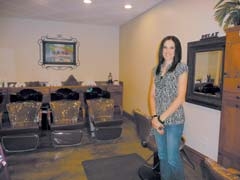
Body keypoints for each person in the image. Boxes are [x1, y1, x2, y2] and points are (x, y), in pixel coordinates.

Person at [149, 35, 188, 180]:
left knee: (172, 158)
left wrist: (160, 119)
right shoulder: (156, 70)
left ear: (176, 50)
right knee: (162, 156)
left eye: (172, 47)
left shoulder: (181, 68)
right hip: (157, 120)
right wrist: (154, 117)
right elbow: (152, 95)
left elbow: (180, 98)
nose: (168, 50)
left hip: (174, 121)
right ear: (161, 50)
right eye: (165, 47)